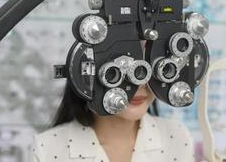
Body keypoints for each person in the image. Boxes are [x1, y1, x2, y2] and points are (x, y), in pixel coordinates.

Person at [31, 41, 195, 162]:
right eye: (120, 71)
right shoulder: (48, 147)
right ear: (87, 73)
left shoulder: (177, 136)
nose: (140, 85)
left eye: (148, 70)